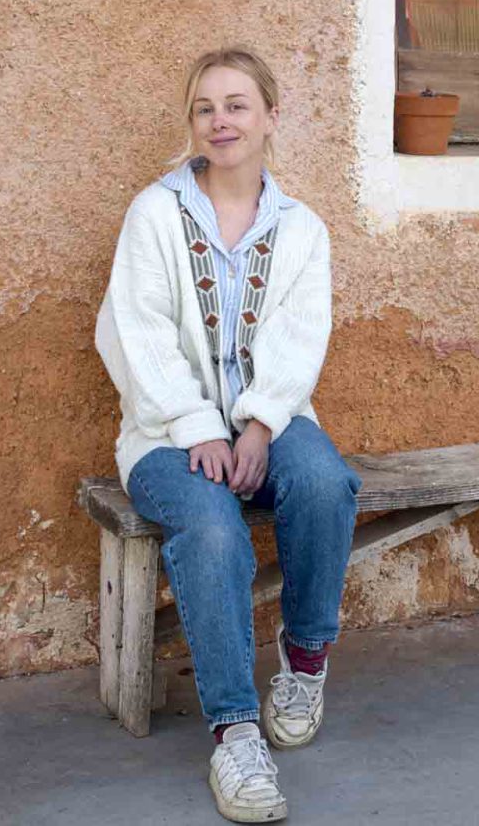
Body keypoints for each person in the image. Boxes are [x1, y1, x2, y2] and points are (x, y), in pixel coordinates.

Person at [95, 47, 361, 823]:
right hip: (162, 434)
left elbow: (301, 335)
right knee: (212, 529)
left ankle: (304, 662)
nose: (222, 121)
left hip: (273, 421)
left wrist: (257, 423)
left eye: (238, 104)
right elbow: (136, 333)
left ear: (270, 117)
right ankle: (235, 733)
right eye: (206, 107)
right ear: (192, 123)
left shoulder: (302, 228)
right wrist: (195, 427)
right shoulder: (154, 213)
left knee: (323, 482)